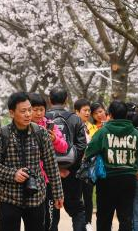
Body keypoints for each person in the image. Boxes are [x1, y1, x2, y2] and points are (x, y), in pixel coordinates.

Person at [0, 91, 64, 231]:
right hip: (9, 198)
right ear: (12, 113)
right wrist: (13, 174)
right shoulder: (1, 135)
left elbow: (51, 164)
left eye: (29, 110)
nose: (28, 114)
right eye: (23, 111)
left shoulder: (41, 133)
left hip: (36, 198)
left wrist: (58, 193)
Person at [83, 101, 138, 231]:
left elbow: (89, 152)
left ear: (110, 115)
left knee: (104, 217)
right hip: (128, 179)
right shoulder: (135, 133)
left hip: (107, 180)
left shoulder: (102, 132)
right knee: (126, 217)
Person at [46, 88, 87, 231]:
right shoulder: (75, 119)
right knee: (77, 209)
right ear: (66, 100)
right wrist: (69, 168)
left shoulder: (43, 119)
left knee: (51, 210)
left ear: (49, 100)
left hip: (48, 174)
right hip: (72, 174)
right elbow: (82, 146)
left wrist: (55, 169)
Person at [28, 94, 68, 230]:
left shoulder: (50, 125)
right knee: (34, 220)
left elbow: (64, 147)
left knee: (51, 219)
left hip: (49, 179)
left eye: (41, 109)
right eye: (35, 109)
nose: (39, 113)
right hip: (31, 180)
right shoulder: (24, 127)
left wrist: (55, 139)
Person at [74, 99, 95, 229]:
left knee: (88, 196)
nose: (87, 113)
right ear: (77, 112)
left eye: (89, 111)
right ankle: (79, 224)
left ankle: (88, 223)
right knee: (77, 197)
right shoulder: (72, 126)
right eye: (84, 110)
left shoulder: (92, 128)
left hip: (88, 167)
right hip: (76, 167)